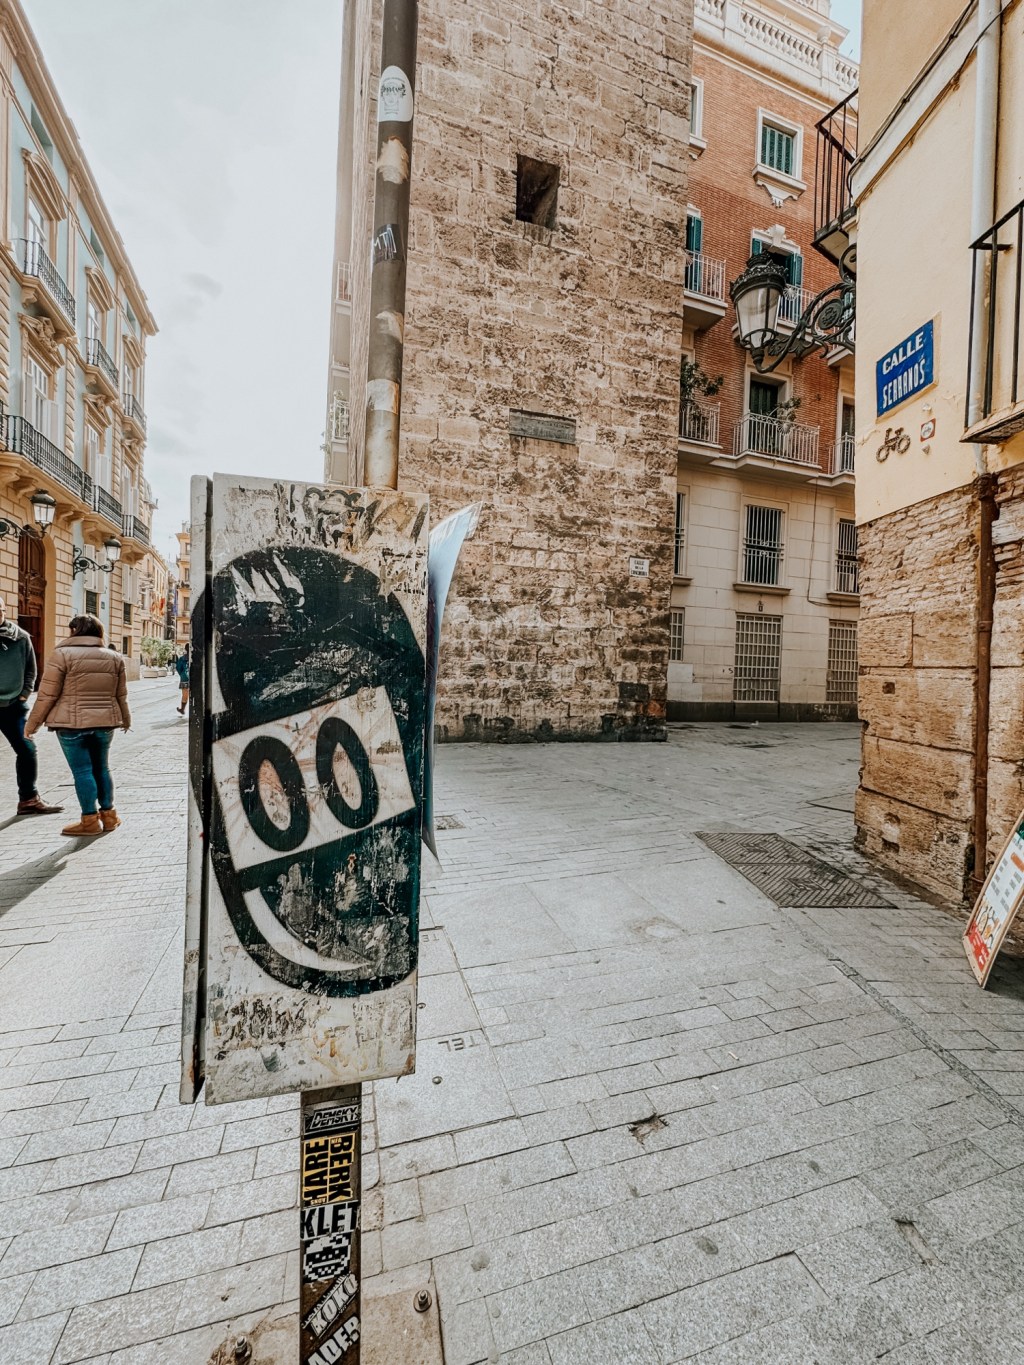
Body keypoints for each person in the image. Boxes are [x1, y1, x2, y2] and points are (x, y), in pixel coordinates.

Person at [25, 614, 130, 837]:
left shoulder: (62, 654)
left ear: (74, 630)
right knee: (102, 768)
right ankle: (109, 816)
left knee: (83, 771)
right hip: (105, 724)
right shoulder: (114, 657)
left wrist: (31, 725)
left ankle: (90, 820)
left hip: (70, 726)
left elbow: (47, 694)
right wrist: (126, 719)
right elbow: (121, 694)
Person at [0, 595, 62, 817]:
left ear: (4, 611)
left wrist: (25, 694)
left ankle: (28, 799)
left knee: (27, 750)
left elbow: (31, 669)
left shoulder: (20, 637)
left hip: (13, 706)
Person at [175, 645, 190, 714]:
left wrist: (182, 674)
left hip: (184, 678)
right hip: (195, 678)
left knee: (185, 694)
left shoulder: (182, 658)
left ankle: (182, 709)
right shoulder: (196, 657)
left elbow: (178, 668)